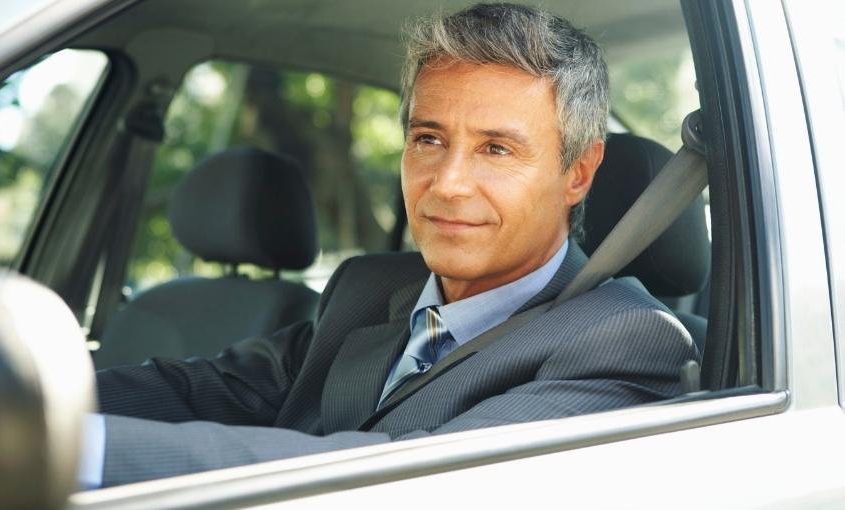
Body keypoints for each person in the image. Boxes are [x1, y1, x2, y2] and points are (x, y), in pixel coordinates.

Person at [83, 3, 697, 488]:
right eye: (429, 139)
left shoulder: (627, 340)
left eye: (497, 149)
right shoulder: (368, 287)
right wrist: (29, 399)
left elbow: (409, 480)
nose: (448, 184)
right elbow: (210, 390)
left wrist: (73, 448)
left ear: (578, 174)